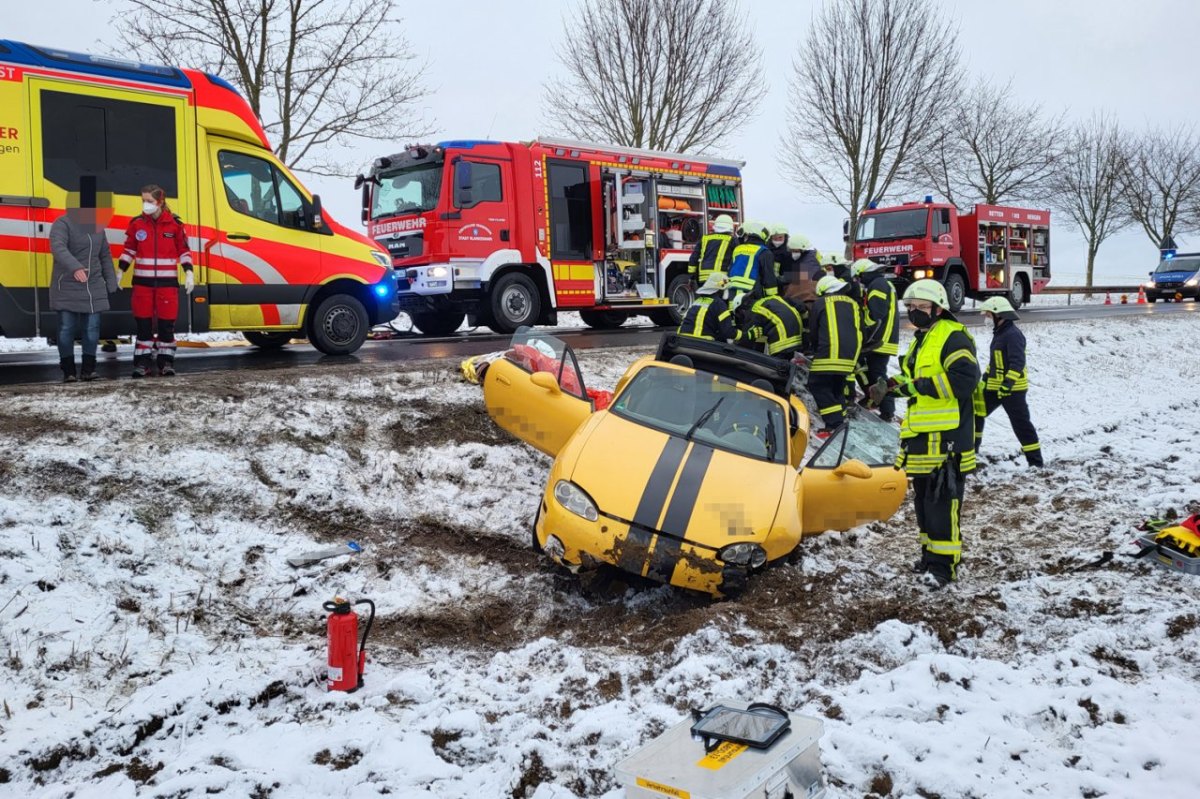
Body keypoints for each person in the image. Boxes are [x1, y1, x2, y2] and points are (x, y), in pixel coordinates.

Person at [870, 279, 983, 588]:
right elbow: (913, 377)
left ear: (938, 308)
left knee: (942, 504)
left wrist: (917, 386)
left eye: (920, 307)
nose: (914, 313)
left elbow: (964, 380)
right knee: (924, 504)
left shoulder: (953, 337)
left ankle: (945, 568)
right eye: (910, 308)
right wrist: (890, 387)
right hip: (923, 438)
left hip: (947, 441)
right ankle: (930, 558)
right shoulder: (924, 338)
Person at [117, 185, 194, 377]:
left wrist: (189, 273)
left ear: (160, 202)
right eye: (143, 200)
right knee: (143, 326)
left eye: (149, 201)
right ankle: (142, 364)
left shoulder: (175, 225)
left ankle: (166, 363)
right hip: (142, 285)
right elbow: (129, 251)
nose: (145, 204)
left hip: (167, 285)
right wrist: (120, 271)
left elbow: (184, 252)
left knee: (166, 326)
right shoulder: (137, 224)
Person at [49, 176, 120, 382]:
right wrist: (76, 267)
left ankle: (89, 370)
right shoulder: (62, 223)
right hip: (68, 286)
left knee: (92, 330)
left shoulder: (98, 227)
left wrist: (111, 281)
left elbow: (104, 254)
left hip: (93, 286)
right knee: (66, 329)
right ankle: (68, 371)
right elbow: (58, 247)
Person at [976, 297, 1043, 467]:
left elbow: (1017, 363)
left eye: (989, 315)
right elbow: (996, 362)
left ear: (999, 315)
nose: (986, 319)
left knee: (1021, 425)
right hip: (994, 388)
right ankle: (971, 453)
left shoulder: (1013, 335)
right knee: (975, 414)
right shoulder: (999, 334)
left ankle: (1036, 463)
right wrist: (984, 379)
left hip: (1012, 391)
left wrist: (1008, 383)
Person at [806, 274, 862, 437]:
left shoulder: (820, 303)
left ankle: (834, 423)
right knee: (836, 384)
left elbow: (814, 331)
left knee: (817, 384)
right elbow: (861, 329)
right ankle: (841, 417)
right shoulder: (853, 303)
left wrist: (814, 349)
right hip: (851, 354)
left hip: (829, 352)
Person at [852, 258, 900, 422]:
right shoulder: (880, 283)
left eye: (859, 278)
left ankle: (887, 410)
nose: (859, 282)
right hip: (882, 338)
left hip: (880, 339)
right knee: (873, 372)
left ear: (864, 273)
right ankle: (873, 399)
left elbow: (875, 315)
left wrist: (864, 331)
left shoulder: (877, 285)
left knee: (878, 375)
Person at [678, 271, 746, 344]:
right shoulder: (719, 304)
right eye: (725, 289)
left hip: (682, 341)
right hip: (702, 345)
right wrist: (746, 335)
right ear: (719, 289)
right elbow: (728, 332)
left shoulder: (697, 301)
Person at [741, 294, 805, 359]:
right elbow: (800, 306)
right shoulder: (774, 298)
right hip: (797, 336)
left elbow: (746, 339)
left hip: (782, 340)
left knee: (776, 366)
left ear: (742, 309)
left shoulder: (754, 310)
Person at [728, 220, 779, 299]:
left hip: (732, 291)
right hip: (752, 292)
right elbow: (768, 277)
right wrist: (773, 297)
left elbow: (730, 269)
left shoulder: (737, 249)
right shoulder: (764, 252)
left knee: (733, 310)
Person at [687, 213, 736, 288]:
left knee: (705, 297)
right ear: (730, 227)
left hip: (703, 279)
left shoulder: (704, 239)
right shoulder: (732, 240)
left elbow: (693, 258)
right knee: (724, 296)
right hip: (721, 279)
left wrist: (692, 277)